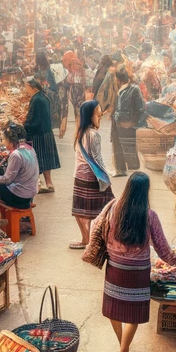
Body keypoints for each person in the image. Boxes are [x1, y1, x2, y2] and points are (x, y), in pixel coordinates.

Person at [95, 172, 176, 352]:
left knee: (114, 309)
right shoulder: (149, 216)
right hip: (137, 273)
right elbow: (162, 248)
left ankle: (123, 349)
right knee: (132, 314)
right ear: (145, 192)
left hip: (115, 268)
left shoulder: (113, 208)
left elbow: (99, 229)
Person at [71, 101, 114, 249]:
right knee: (105, 208)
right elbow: (97, 159)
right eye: (98, 113)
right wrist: (106, 177)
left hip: (79, 176)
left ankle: (86, 239)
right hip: (91, 177)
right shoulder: (94, 135)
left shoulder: (80, 132)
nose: (100, 116)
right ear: (91, 116)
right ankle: (99, 240)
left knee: (80, 210)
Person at [0, 124, 39, 224]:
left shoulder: (16, 155)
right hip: (29, 195)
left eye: (4, 140)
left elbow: (7, 179)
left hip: (20, 197)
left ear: (11, 141)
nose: (4, 142)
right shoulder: (29, 148)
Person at [23, 77, 60, 192]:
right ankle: (49, 183)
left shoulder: (36, 99)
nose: (26, 90)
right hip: (47, 132)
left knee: (37, 158)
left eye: (27, 87)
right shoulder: (44, 96)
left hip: (38, 133)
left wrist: (24, 125)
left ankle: (38, 184)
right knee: (46, 159)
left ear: (32, 88)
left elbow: (32, 118)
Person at [111, 67, 146, 177]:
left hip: (128, 124)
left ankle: (132, 172)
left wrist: (136, 123)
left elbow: (141, 108)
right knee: (118, 147)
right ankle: (121, 170)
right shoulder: (119, 90)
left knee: (129, 148)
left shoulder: (134, 89)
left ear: (118, 79)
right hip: (118, 123)